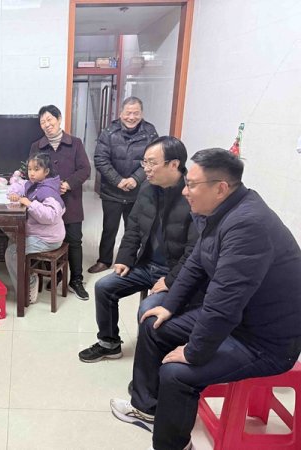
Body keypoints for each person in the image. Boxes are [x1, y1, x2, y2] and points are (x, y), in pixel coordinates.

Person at [110, 149, 301, 450]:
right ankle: (147, 409)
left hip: (264, 340)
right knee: (153, 324)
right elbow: (195, 263)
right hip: (238, 320)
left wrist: (194, 351)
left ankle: (174, 446)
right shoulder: (218, 212)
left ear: (220, 188)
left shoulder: (248, 225)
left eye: (192, 185)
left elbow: (225, 301)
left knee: (177, 374)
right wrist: (169, 305)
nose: (185, 191)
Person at [79, 136, 198, 363]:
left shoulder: (192, 197)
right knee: (104, 287)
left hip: (174, 272)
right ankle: (109, 343)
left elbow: (195, 251)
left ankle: (150, 364)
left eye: (152, 163)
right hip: (146, 264)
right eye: (144, 162)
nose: (146, 169)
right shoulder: (147, 188)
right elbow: (133, 227)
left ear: (174, 164)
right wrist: (125, 258)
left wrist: (171, 280)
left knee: (147, 309)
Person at [88, 97, 158, 274]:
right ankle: (104, 261)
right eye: (128, 113)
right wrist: (118, 180)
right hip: (112, 191)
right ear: (120, 113)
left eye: (136, 113)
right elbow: (100, 159)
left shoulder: (150, 132)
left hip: (138, 191)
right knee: (109, 228)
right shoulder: (109, 132)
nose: (131, 117)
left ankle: (130, 261)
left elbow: (153, 159)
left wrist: (135, 179)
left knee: (134, 229)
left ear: (142, 114)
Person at [31, 104, 91, 300]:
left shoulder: (75, 143)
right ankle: (56, 274)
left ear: (59, 119)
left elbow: (85, 169)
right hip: (47, 203)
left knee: (74, 240)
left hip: (71, 201)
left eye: (50, 120)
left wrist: (68, 184)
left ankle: (76, 280)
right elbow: (32, 171)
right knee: (50, 239)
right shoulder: (36, 146)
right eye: (42, 122)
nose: (47, 125)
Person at [6, 152, 66, 304]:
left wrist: (29, 203)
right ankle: (26, 278)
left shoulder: (48, 190)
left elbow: (51, 216)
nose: (31, 173)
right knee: (12, 237)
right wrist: (13, 194)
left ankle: (29, 285)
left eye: (36, 169)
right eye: (29, 169)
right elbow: (19, 185)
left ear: (46, 171)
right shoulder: (34, 184)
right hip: (39, 234)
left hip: (48, 239)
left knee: (12, 253)